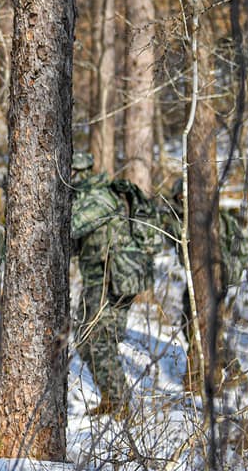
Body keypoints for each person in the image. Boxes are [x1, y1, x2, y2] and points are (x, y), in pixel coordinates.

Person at [70, 152, 158, 419]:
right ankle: (114, 398)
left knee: (98, 340)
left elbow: (70, 226)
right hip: (100, 279)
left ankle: (120, 403)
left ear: (78, 173)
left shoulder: (98, 198)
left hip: (112, 280)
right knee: (86, 341)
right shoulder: (90, 197)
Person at [161, 178, 248, 386]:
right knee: (198, 323)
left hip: (214, 279)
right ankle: (230, 368)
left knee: (203, 325)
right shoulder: (181, 219)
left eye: (186, 197)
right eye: (180, 197)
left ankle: (209, 375)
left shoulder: (207, 219)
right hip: (200, 279)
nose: (183, 201)